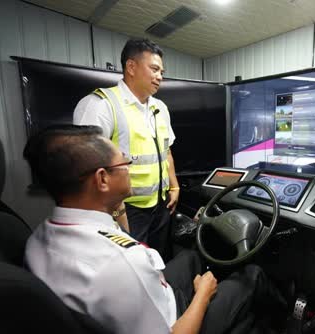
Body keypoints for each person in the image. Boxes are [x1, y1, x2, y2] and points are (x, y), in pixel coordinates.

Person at [23, 125, 286, 334]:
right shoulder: (121, 262)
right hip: (175, 324)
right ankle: (287, 323)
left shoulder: (39, 238)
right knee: (251, 275)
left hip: (137, 307)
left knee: (194, 256)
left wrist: (114, 206)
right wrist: (204, 294)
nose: (129, 166)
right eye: (124, 162)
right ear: (102, 179)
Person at [74, 38, 177, 261]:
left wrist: (175, 186)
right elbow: (85, 166)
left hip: (160, 204)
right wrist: (117, 211)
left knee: (159, 261)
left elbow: (166, 150)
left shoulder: (160, 107)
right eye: (154, 69)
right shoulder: (101, 105)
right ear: (131, 67)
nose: (160, 76)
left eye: (162, 71)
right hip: (125, 209)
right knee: (132, 264)